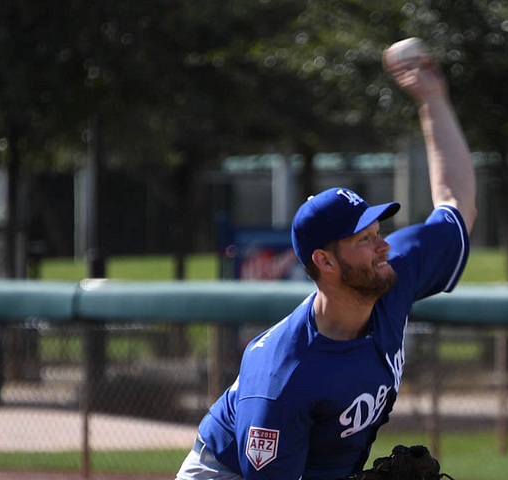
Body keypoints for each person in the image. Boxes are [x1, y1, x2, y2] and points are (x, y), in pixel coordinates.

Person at [177, 41, 477, 480]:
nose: (383, 247)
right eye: (364, 239)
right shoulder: (283, 376)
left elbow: (456, 205)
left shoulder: (390, 279)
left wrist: (433, 100)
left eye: (378, 233)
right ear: (326, 261)